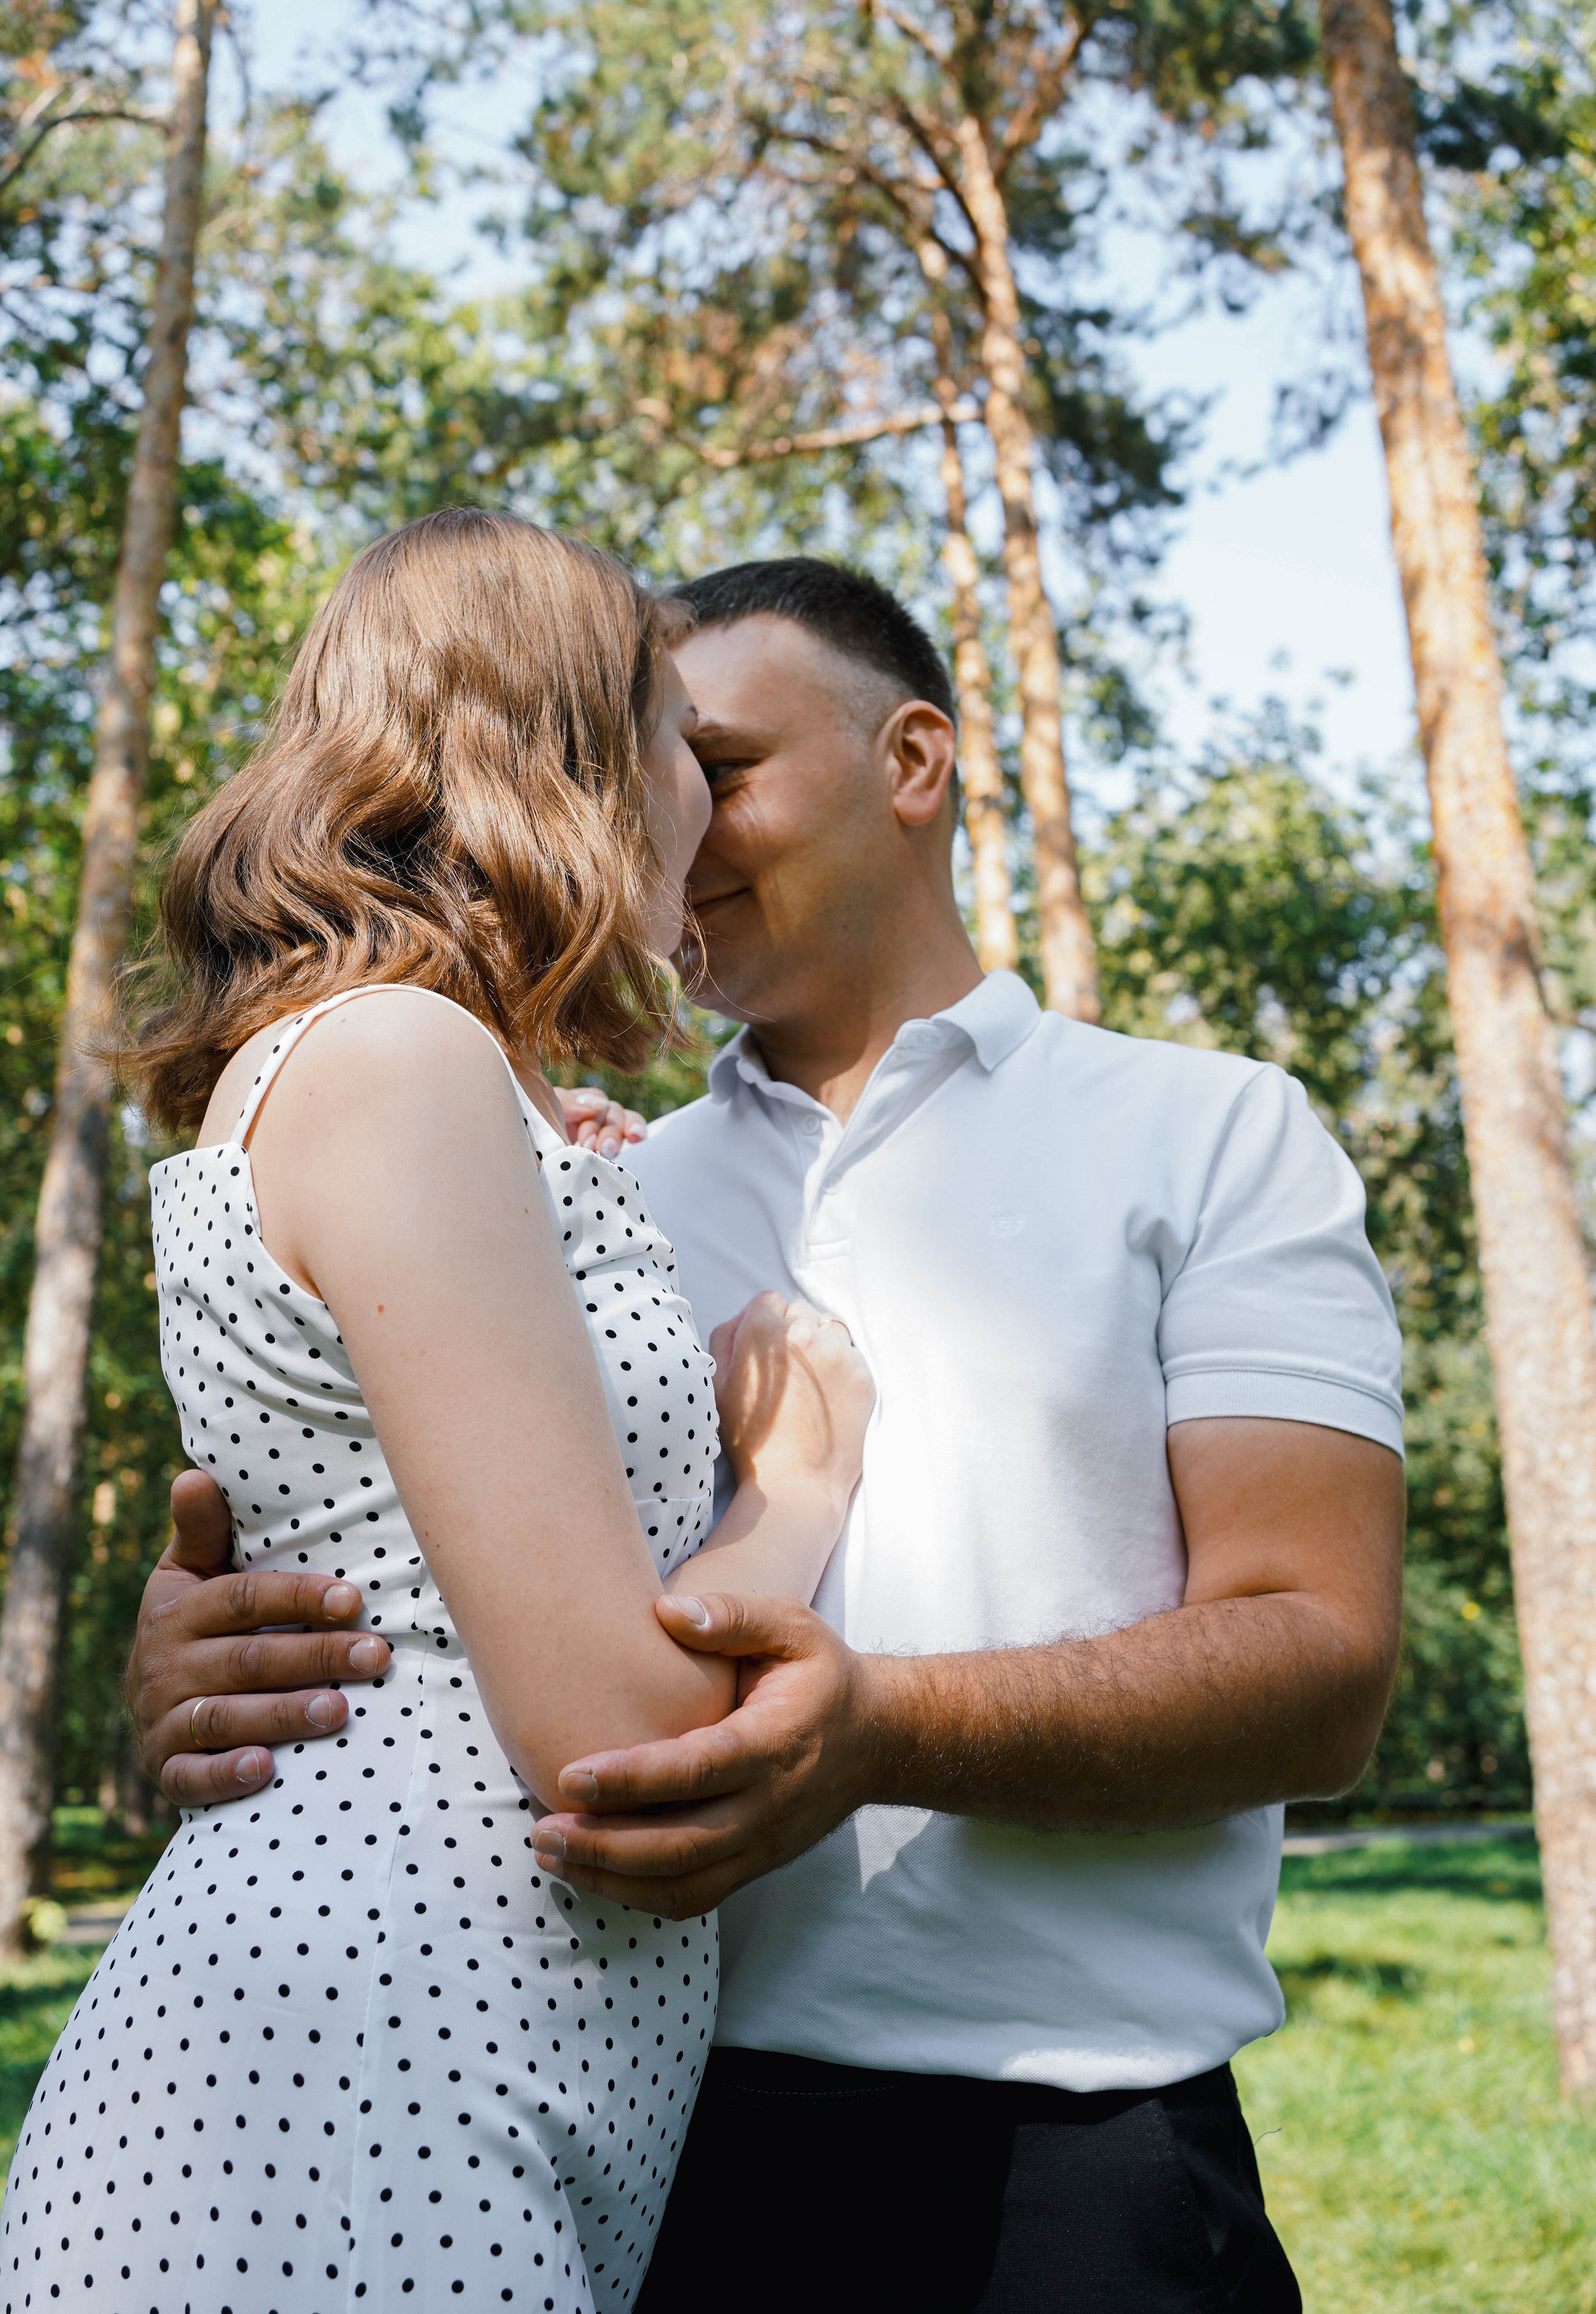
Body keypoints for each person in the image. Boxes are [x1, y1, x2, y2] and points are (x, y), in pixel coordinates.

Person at [127, 557, 1406, 2313]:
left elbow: (1324, 1667)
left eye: (722, 764)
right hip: (638, 2137)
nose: (677, 816)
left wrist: (879, 1733)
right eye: (667, 760)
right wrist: (211, 1644)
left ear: (913, 761)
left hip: (1073, 2157)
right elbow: (404, 1544)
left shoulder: (1212, 1137)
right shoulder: (579, 1181)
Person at [2, 515, 873, 2314]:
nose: (699, 813)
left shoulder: (451, 1086)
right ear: (566, 757)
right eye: (677, 750)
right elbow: (613, 1744)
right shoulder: (399, 1061)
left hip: (476, 2075)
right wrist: (797, 1477)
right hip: (348, 2094)